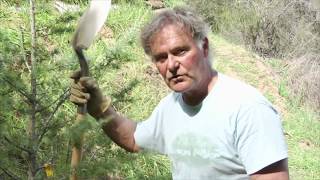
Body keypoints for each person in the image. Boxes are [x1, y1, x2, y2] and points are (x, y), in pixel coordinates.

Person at [70, 6, 289, 180]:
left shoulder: (247, 108)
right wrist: (100, 108)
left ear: (204, 47)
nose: (172, 65)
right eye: (161, 58)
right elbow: (133, 139)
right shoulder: (172, 106)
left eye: (180, 51)